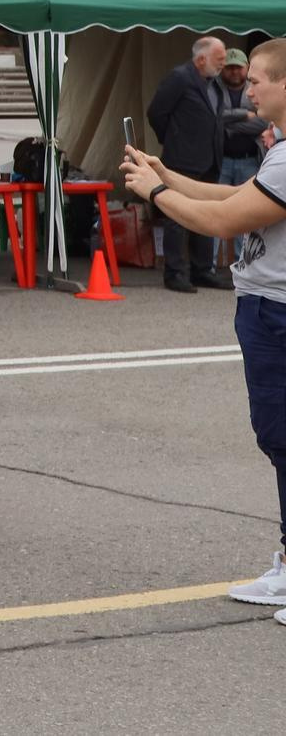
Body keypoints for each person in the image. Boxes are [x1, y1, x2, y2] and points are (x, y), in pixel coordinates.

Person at [125, 38, 286, 619]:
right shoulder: (280, 151)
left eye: (261, 79)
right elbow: (233, 195)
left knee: (285, 440)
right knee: (278, 439)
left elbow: (223, 219)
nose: (249, 87)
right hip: (266, 308)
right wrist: (169, 174)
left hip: (278, 312)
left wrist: (157, 193)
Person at [148, 35, 234, 291]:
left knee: (206, 213)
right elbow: (156, 112)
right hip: (181, 159)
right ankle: (174, 272)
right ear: (200, 59)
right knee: (176, 215)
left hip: (209, 159)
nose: (223, 65)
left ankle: (202, 269)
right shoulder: (180, 78)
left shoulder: (214, 83)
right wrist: (172, 139)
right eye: (219, 60)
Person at [219, 48, 276, 191]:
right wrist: (244, 114)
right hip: (221, 160)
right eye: (229, 67)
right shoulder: (213, 89)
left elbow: (263, 122)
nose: (234, 71)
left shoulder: (257, 89)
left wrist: (227, 124)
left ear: (247, 67)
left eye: (238, 67)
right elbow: (211, 117)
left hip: (250, 159)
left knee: (247, 202)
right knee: (217, 202)